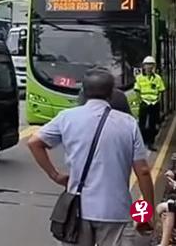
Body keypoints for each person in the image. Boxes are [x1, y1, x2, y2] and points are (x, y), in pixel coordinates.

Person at [28, 68, 154, 246]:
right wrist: (145, 214)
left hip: (78, 210)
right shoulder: (128, 123)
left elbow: (34, 143)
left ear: (83, 92)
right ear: (111, 93)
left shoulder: (66, 118)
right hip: (116, 211)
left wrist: (55, 175)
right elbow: (143, 171)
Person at [134, 56, 166, 151]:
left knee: (153, 124)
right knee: (142, 124)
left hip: (154, 103)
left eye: (151, 65)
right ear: (144, 66)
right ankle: (142, 142)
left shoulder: (157, 78)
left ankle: (151, 143)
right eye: (147, 65)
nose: (149, 67)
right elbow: (137, 90)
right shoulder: (139, 78)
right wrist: (141, 100)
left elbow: (161, 90)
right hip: (144, 102)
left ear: (154, 66)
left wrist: (157, 100)